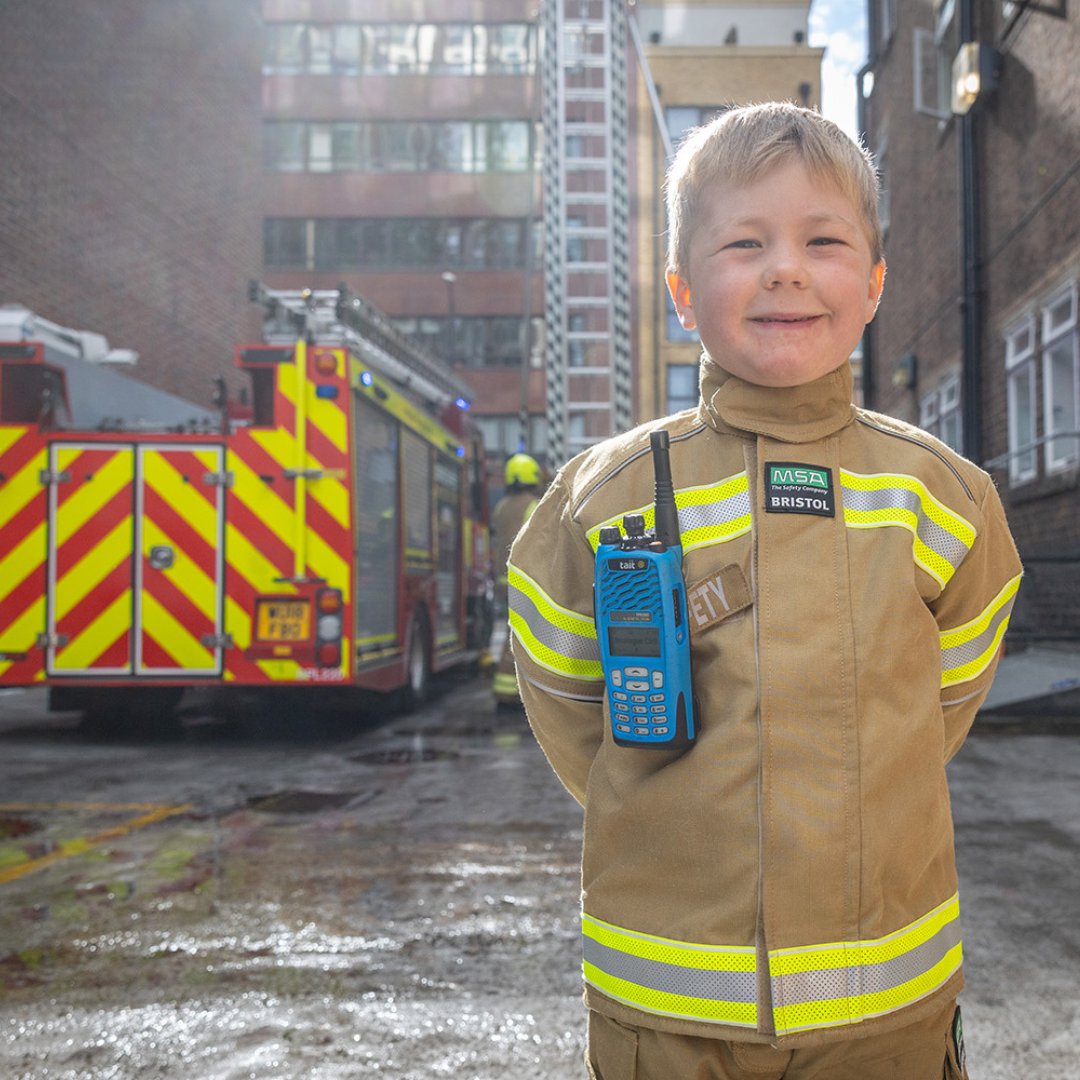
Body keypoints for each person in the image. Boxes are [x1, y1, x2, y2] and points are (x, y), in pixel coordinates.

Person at [506, 102, 1021, 1080]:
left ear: (873, 285)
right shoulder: (599, 501)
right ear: (683, 292)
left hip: (888, 1018)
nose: (785, 267)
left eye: (822, 241)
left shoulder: (946, 501)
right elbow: (575, 712)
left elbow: (938, 707)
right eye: (745, 242)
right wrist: (676, 801)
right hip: (666, 1016)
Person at [491, 452, 542, 709]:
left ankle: (508, 689)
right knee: (523, 636)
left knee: (513, 632)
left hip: (503, 581)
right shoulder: (532, 506)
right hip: (525, 579)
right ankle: (511, 693)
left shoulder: (501, 507)